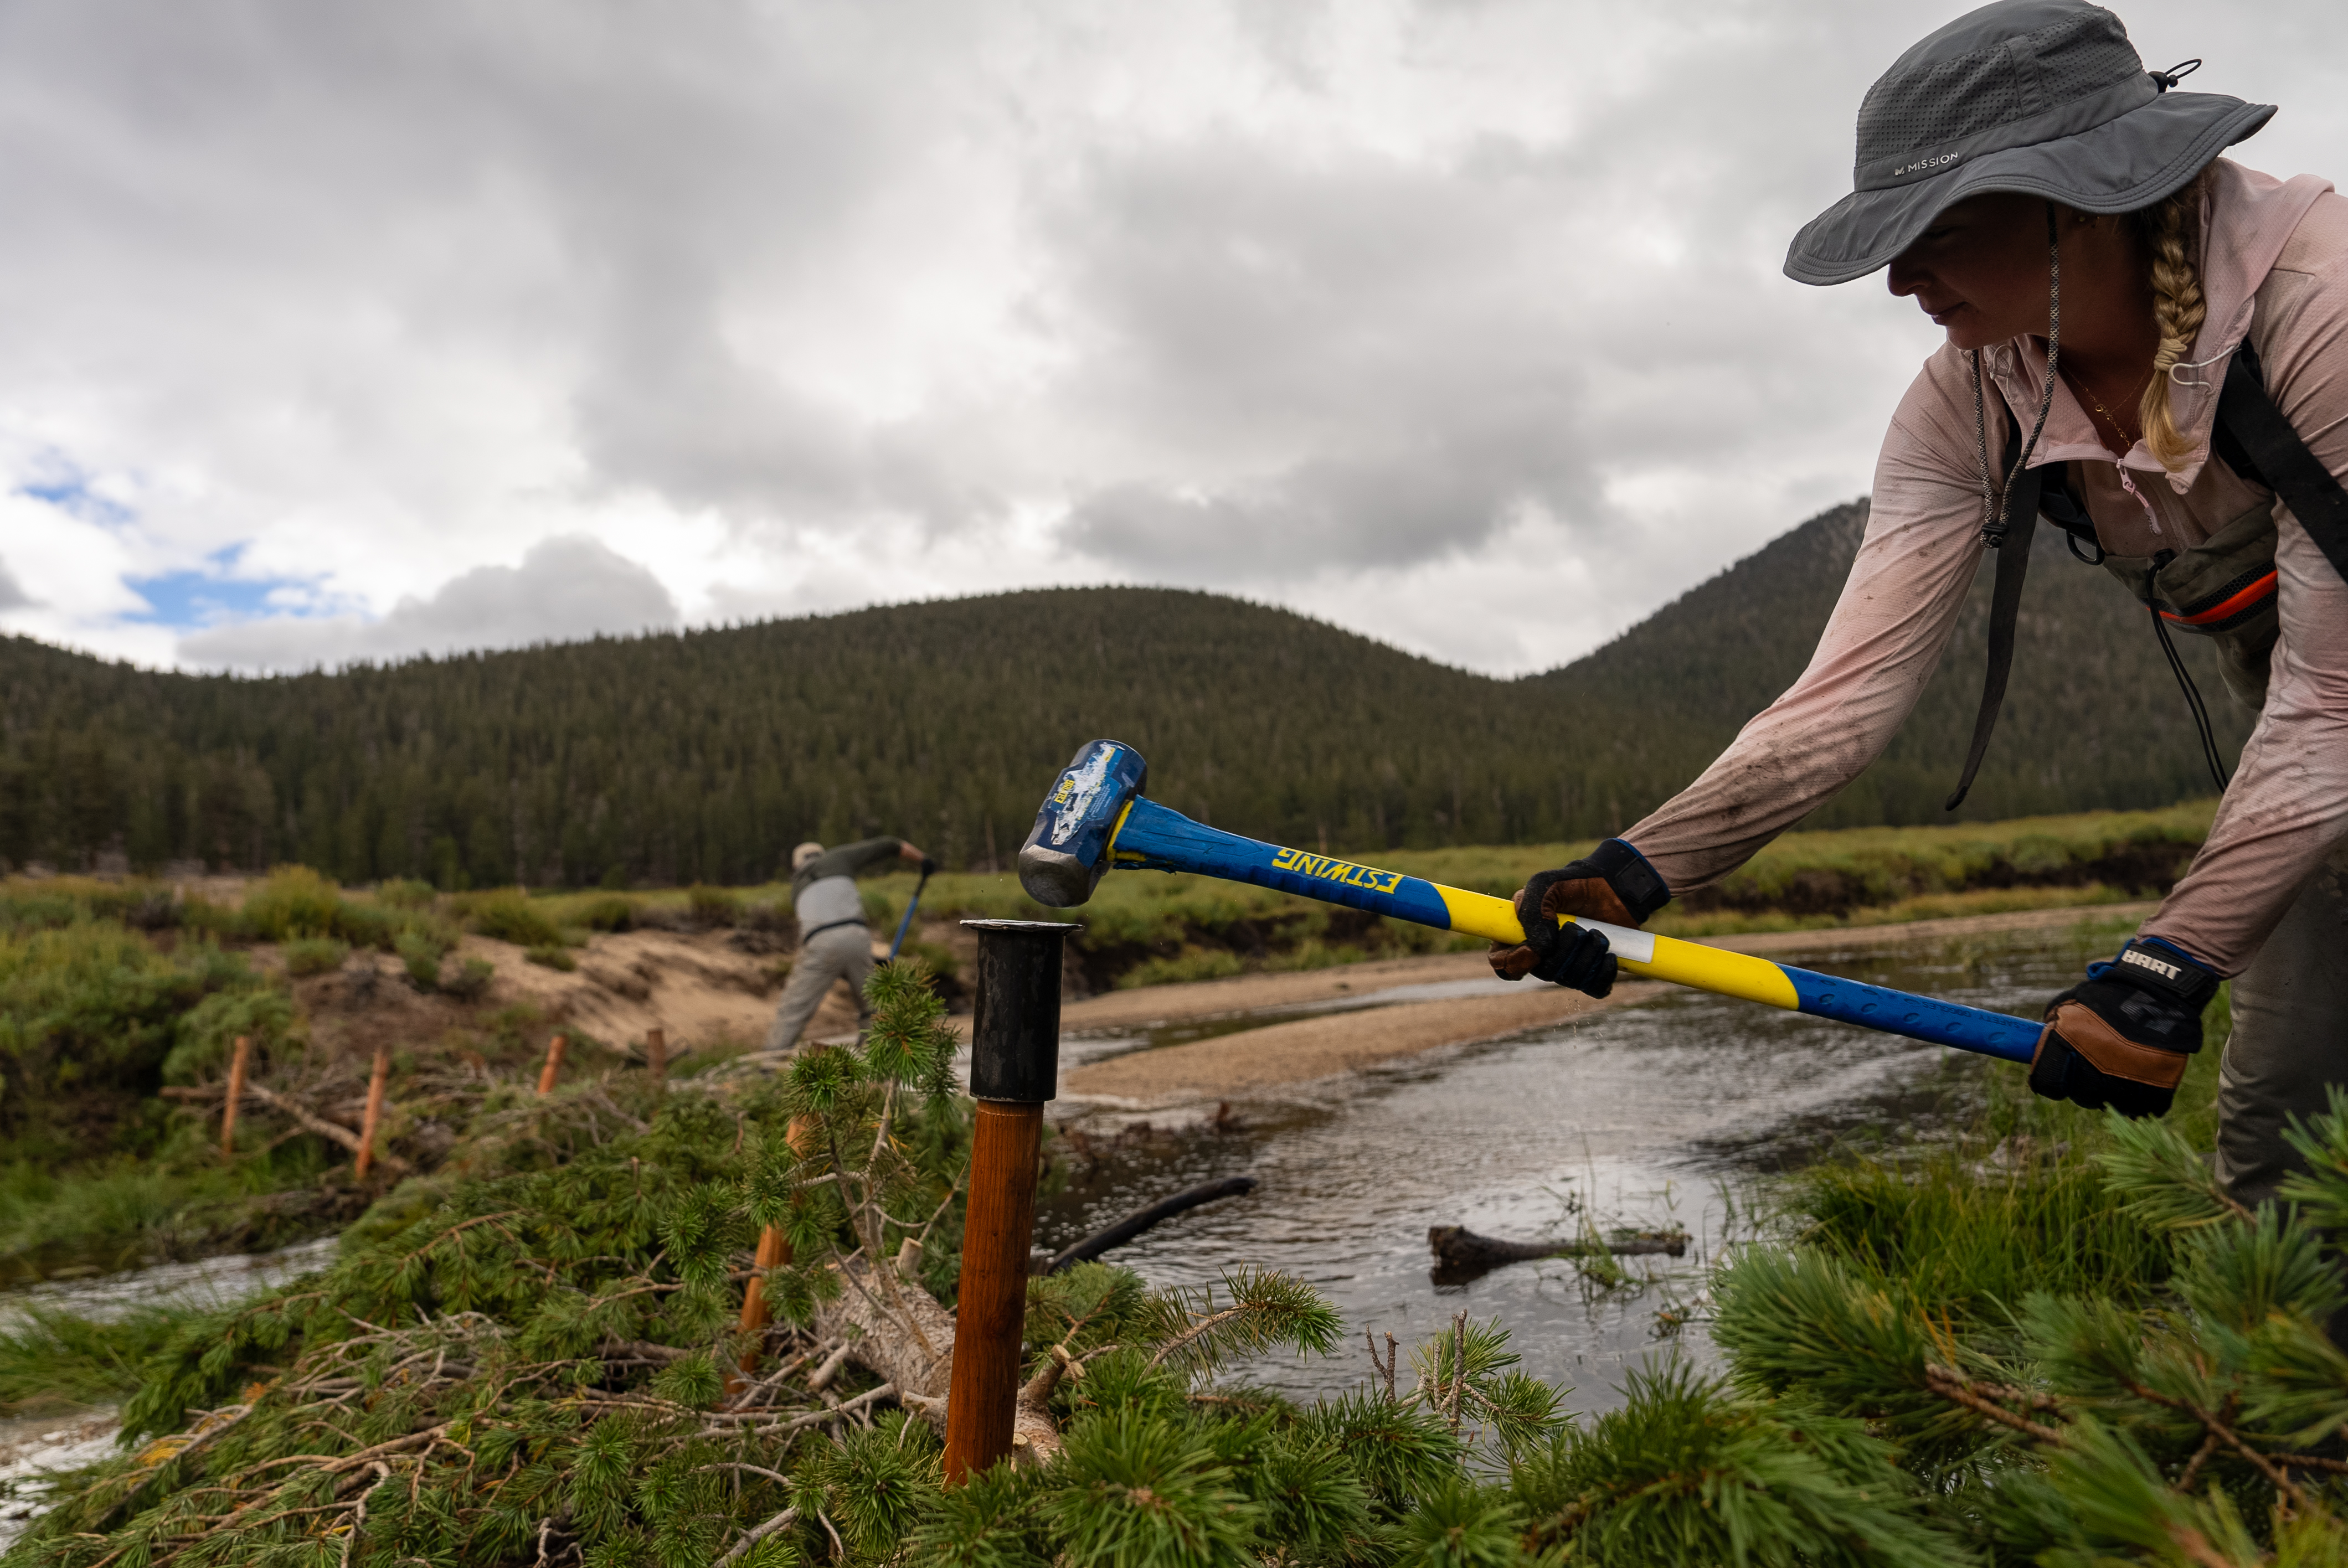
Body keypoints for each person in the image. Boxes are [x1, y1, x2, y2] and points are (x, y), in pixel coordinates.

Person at [1491, 0, 2348, 1210]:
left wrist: (2165, 964)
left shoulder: (2317, 299)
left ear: (2076, 199)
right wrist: (1634, 870)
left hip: (2326, 709)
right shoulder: (1970, 397)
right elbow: (1845, 697)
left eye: (1932, 228)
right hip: (2301, 745)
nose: (1895, 278)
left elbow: (2331, 699)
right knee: (2282, 1144)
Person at [764, 836, 936, 1055]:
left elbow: (825, 946)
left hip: (818, 943)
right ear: (823, 856)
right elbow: (891, 846)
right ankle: (874, 1059)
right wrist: (924, 861)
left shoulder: (797, 884)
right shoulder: (839, 858)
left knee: (793, 1009)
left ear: (796, 865)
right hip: (857, 938)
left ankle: (769, 1065)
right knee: (873, 1006)